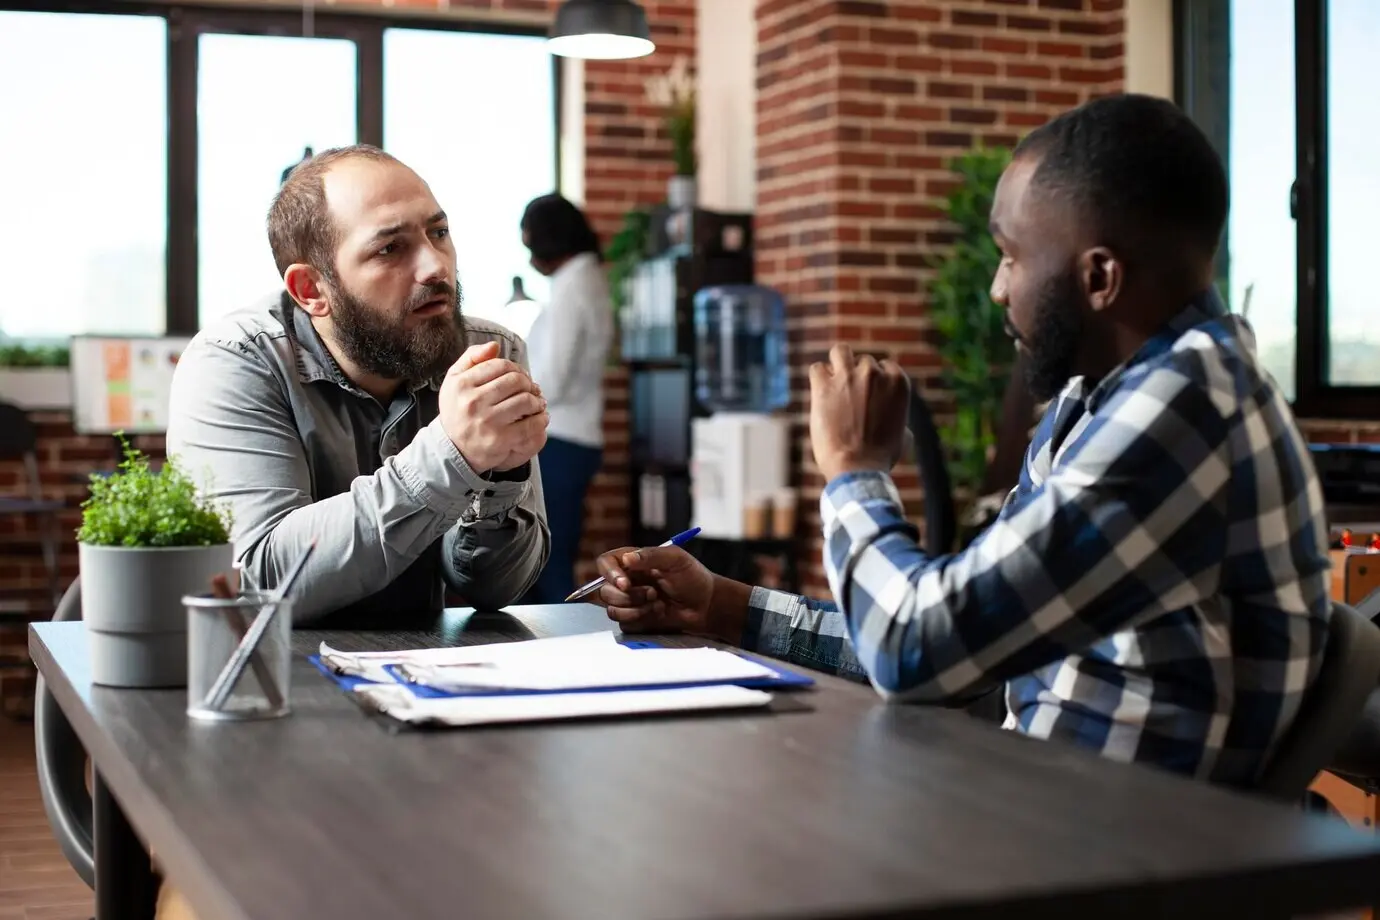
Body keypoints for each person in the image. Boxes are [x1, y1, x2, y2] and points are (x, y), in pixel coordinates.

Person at [593, 93, 1333, 789]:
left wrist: (854, 472)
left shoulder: (1186, 411)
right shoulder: (1100, 398)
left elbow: (918, 651)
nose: (997, 290)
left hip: (1131, 860)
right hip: (1048, 813)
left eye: (1011, 256)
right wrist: (722, 606)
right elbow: (962, 633)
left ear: (1099, 276)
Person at [167, 144, 551, 626]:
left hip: (423, 680)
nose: (437, 267)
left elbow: (494, 589)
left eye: (439, 232)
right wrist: (452, 454)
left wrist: (501, 480)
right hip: (271, 681)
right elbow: (259, 582)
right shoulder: (234, 362)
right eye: (390, 248)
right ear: (312, 291)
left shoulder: (488, 354)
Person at [517, 192, 614, 603]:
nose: (530, 260)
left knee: (544, 560)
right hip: (574, 437)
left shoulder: (574, 285)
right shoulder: (585, 279)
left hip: (562, 439)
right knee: (549, 555)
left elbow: (552, 376)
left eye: (530, 246)